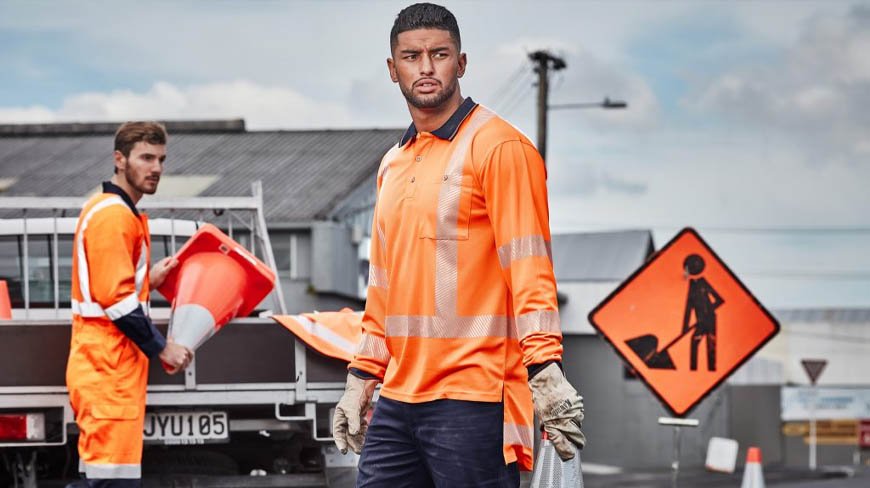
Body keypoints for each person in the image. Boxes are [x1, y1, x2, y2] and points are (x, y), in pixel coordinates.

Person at [332, 4, 586, 486]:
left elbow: (529, 267)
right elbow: (382, 289)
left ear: (461, 63)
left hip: (474, 397)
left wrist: (546, 371)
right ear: (393, 69)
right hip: (399, 399)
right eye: (411, 57)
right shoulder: (393, 164)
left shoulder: (500, 147)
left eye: (439, 54)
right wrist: (361, 377)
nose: (425, 68)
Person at [66, 121, 193, 487]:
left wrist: (146, 281)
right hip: (107, 372)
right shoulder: (114, 216)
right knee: (111, 482)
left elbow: (109, 287)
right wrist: (163, 347)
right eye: (146, 158)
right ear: (119, 160)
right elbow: (115, 300)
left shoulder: (119, 212)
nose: (156, 168)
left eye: (161, 159)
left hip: (110, 372)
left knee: (102, 480)